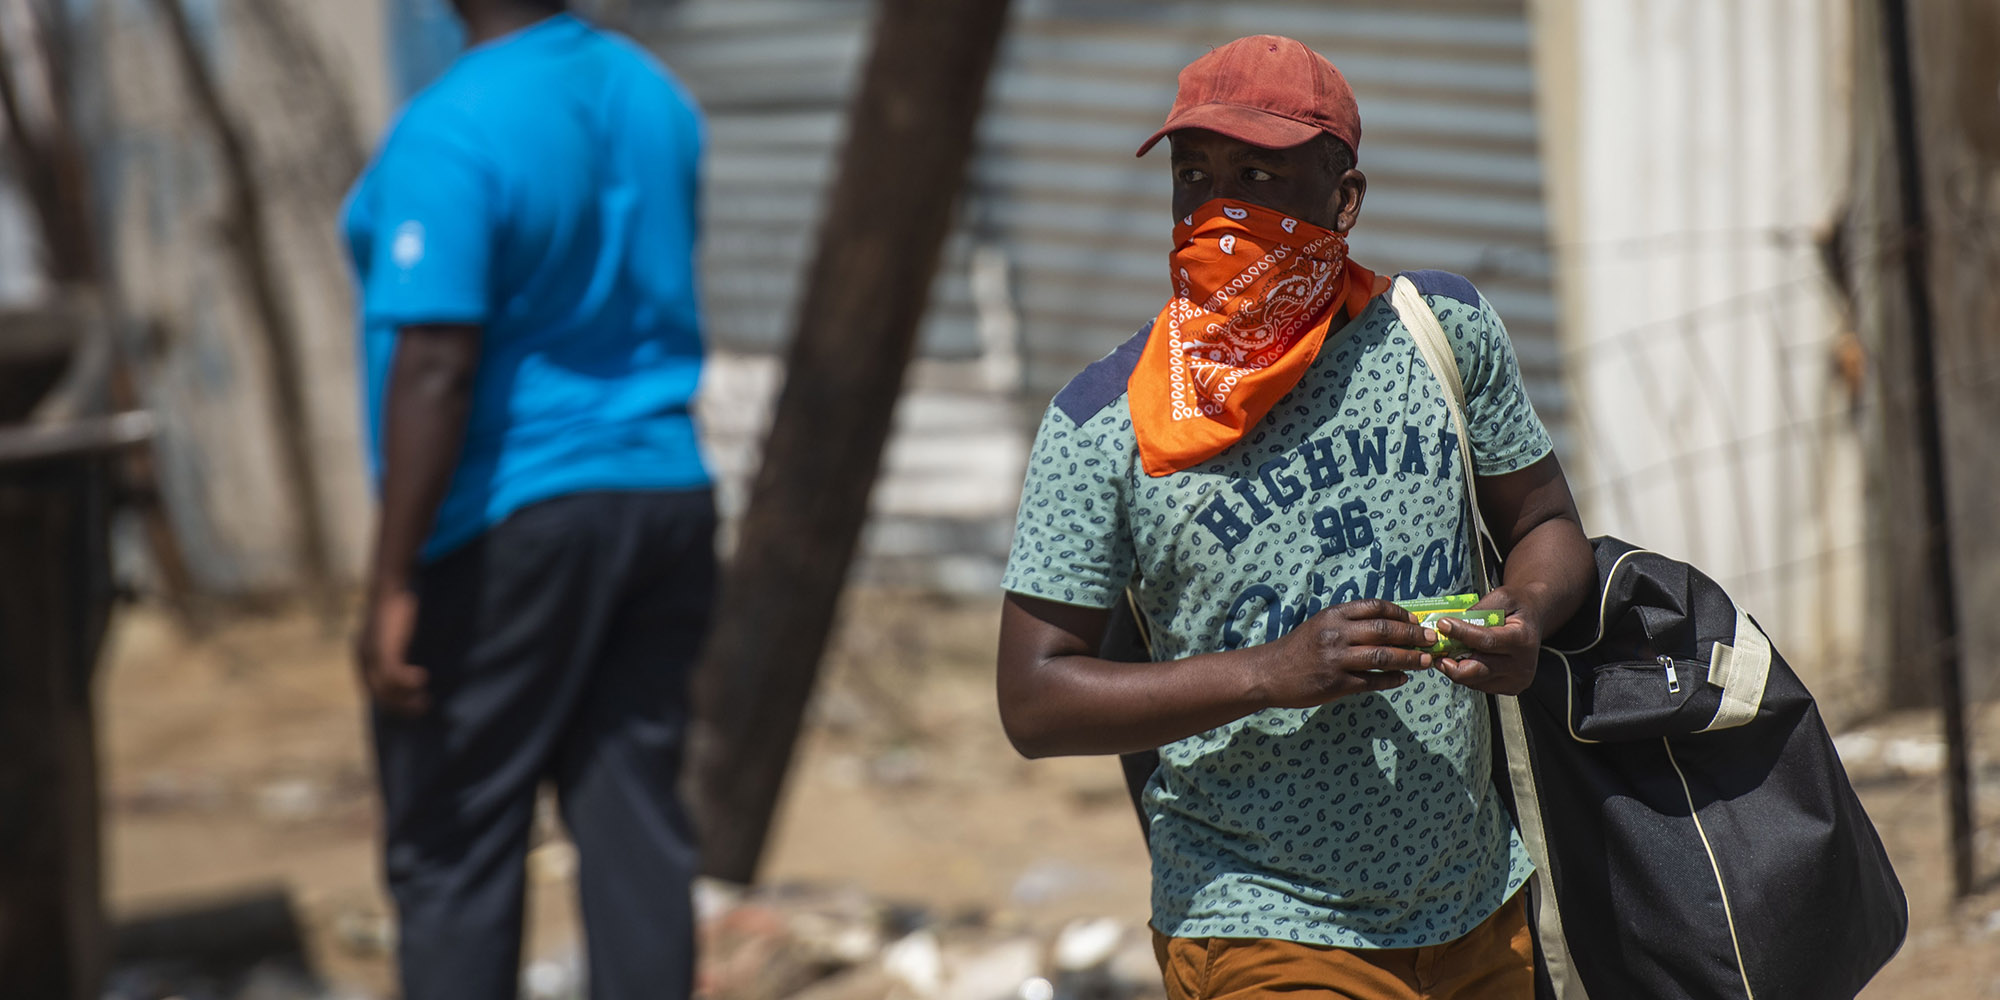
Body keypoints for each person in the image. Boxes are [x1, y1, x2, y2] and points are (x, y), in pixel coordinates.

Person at [995, 35, 1595, 1000]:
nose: (1220, 210)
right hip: (1258, 917)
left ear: (1343, 200)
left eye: (1258, 176)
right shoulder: (1103, 421)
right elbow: (1034, 699)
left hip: (1480, 901)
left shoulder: (1438, 335)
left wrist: (1523, 616)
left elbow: (1546, 523)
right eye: (1196, 178)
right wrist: (1271, 673)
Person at [341, 2, 714, 997]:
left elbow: (432, 360)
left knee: (457, 840)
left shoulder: (452, 122)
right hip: (664, 497)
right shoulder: (653, 95)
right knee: (631, 820)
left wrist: (389, 580)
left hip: (512, 520)